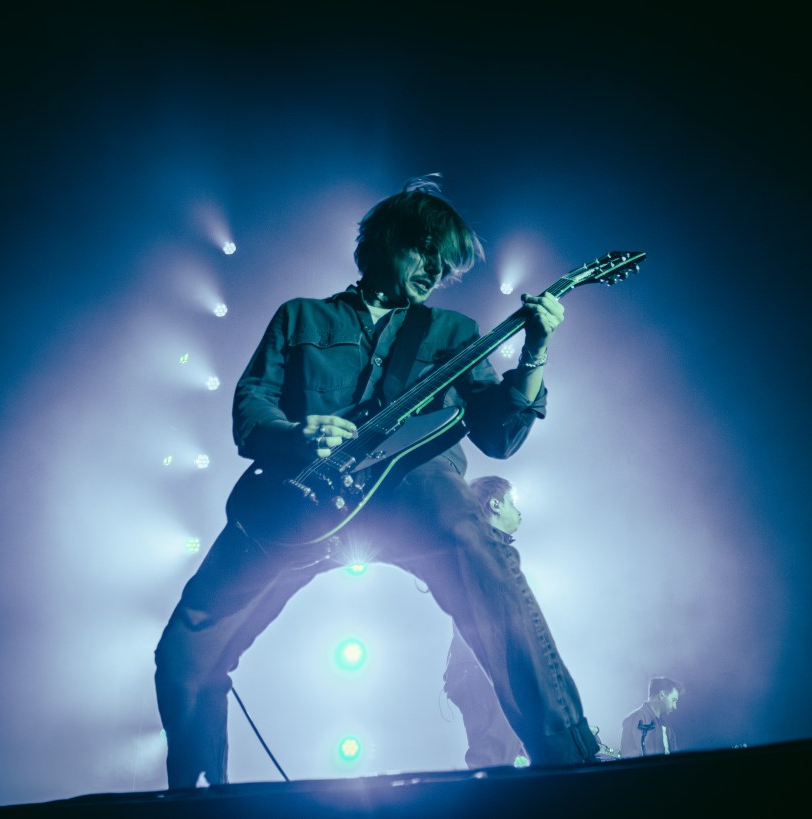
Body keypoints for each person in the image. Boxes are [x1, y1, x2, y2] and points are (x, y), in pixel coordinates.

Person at [153, 174, 601, 789]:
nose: (437, 268)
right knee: (185, 651)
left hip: (414, 490)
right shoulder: (300, 318)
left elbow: (500, 436)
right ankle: (193, 799)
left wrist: (534, 352)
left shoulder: (453, 333)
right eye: (426, 250)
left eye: (447, 263)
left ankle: (574, 768)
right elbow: (250, 414)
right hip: (300, 501)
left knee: (478, 546)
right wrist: (297, 433)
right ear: (385, 242)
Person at [442, 475, 528, 769]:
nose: (519, 512)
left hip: (480, 669)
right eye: (512, 504)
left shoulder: (485, 548)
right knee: (493, 760)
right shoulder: (479, 548)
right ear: (494, 504)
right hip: (485, 670)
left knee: (512, 757)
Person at [619, 676, 684, 758]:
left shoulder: (667, 727)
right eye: (673, 700)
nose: (675, 707)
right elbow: (631, 759)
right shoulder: (637, 719)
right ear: (662, 695)